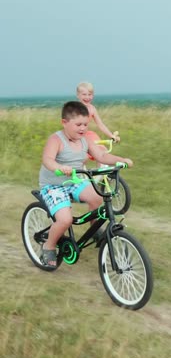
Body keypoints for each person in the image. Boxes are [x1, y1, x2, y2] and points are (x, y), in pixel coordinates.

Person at [39, 101, 133, 267]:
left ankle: (94, 230)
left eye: (85, 124)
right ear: (64, 122)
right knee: (65, 219)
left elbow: (102, 156)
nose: (82, 128)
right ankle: (49, 246)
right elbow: (47, 160)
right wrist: (59, 168)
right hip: (54, 185)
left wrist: (120, 160)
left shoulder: (85, 140)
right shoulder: (56, 139)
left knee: (98, 198)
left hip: (74, 180)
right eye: (78, 124)